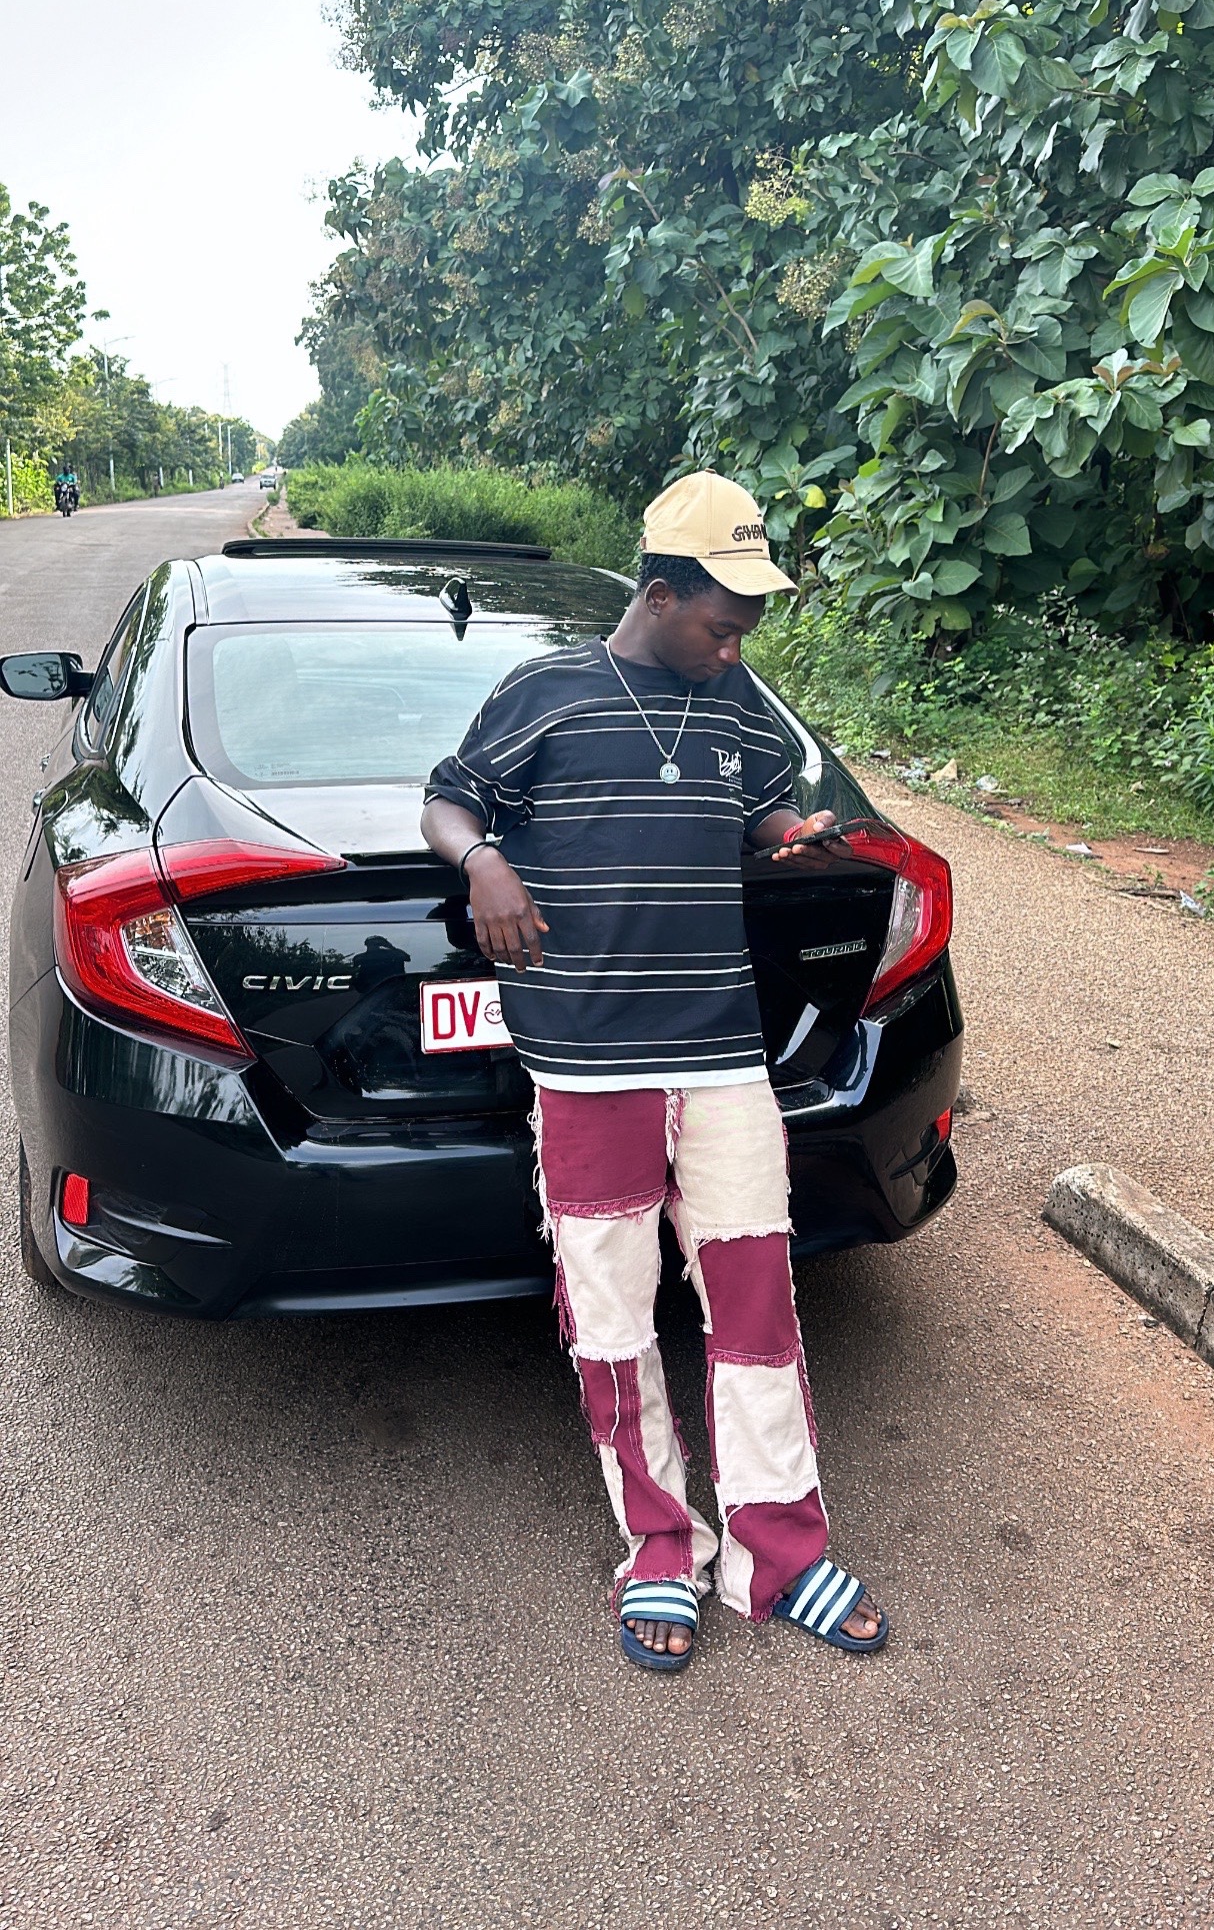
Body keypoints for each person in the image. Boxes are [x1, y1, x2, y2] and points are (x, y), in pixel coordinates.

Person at [421, 470, 888, 1672]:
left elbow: (756, 811)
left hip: (724, 1059)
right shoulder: (546, 693)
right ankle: (660, 1547)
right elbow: (451, 800)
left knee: (759, 1305)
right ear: (661, 593)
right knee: (614, 1318)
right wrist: (482, 864)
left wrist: (791, 836)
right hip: (586, 1067)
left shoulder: (737, 707)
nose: (734, 652)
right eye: (721, 627)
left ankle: (778, 1555)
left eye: (746, 634)